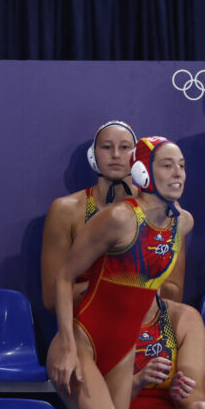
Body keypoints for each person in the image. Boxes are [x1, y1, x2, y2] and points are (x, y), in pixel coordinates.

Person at [47, 137, 193, 409]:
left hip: (124, 352)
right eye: (167, 165)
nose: (178, 173)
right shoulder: (119, 218)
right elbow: (64, 277)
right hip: (82, 343)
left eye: (181, 166)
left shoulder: (181, 224)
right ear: (142, 172)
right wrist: (68, 349)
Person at [40, 121, 185, 310]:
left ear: (137, 157)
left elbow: (175, 293)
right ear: (93, 155)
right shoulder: (66, 210)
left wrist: (116, 286)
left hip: (145, 320)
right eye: (106, 147)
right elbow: (52, 298)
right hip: (87, 320)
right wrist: (120, 285)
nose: (116, 154)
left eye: (124, 147)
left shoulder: (165, 208)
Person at [127, 296, 205, 409]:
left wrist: (180, 393)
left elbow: (195, 399)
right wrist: (137, 382)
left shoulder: (182, 318)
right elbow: (99, 404)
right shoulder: (105, 317)